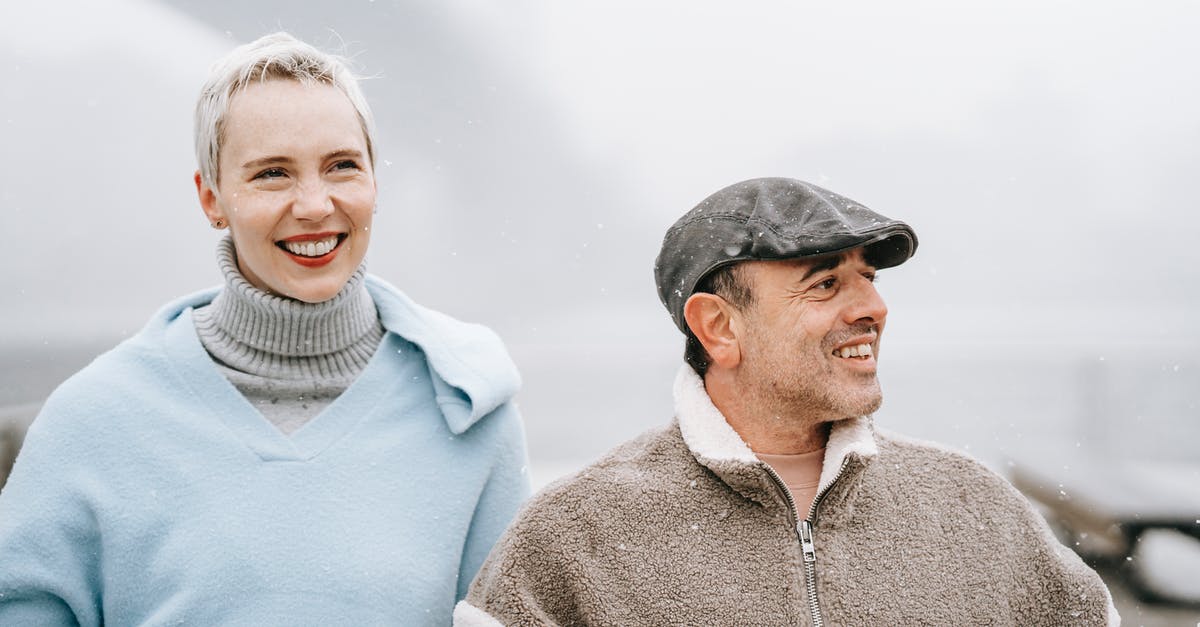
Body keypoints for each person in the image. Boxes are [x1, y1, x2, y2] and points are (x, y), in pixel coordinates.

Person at [0, 32, 529, 624]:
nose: (314, 205)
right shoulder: (95, 421)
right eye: (273, 174)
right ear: (211, 199)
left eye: (342, 166)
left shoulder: (471, 412)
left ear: (374, 182)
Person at [455, 177, 1118, 626]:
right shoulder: (574, 537)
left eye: (868, 278)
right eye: (826, 284)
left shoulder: (977, 508)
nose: (873, 307)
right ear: (719, 327)